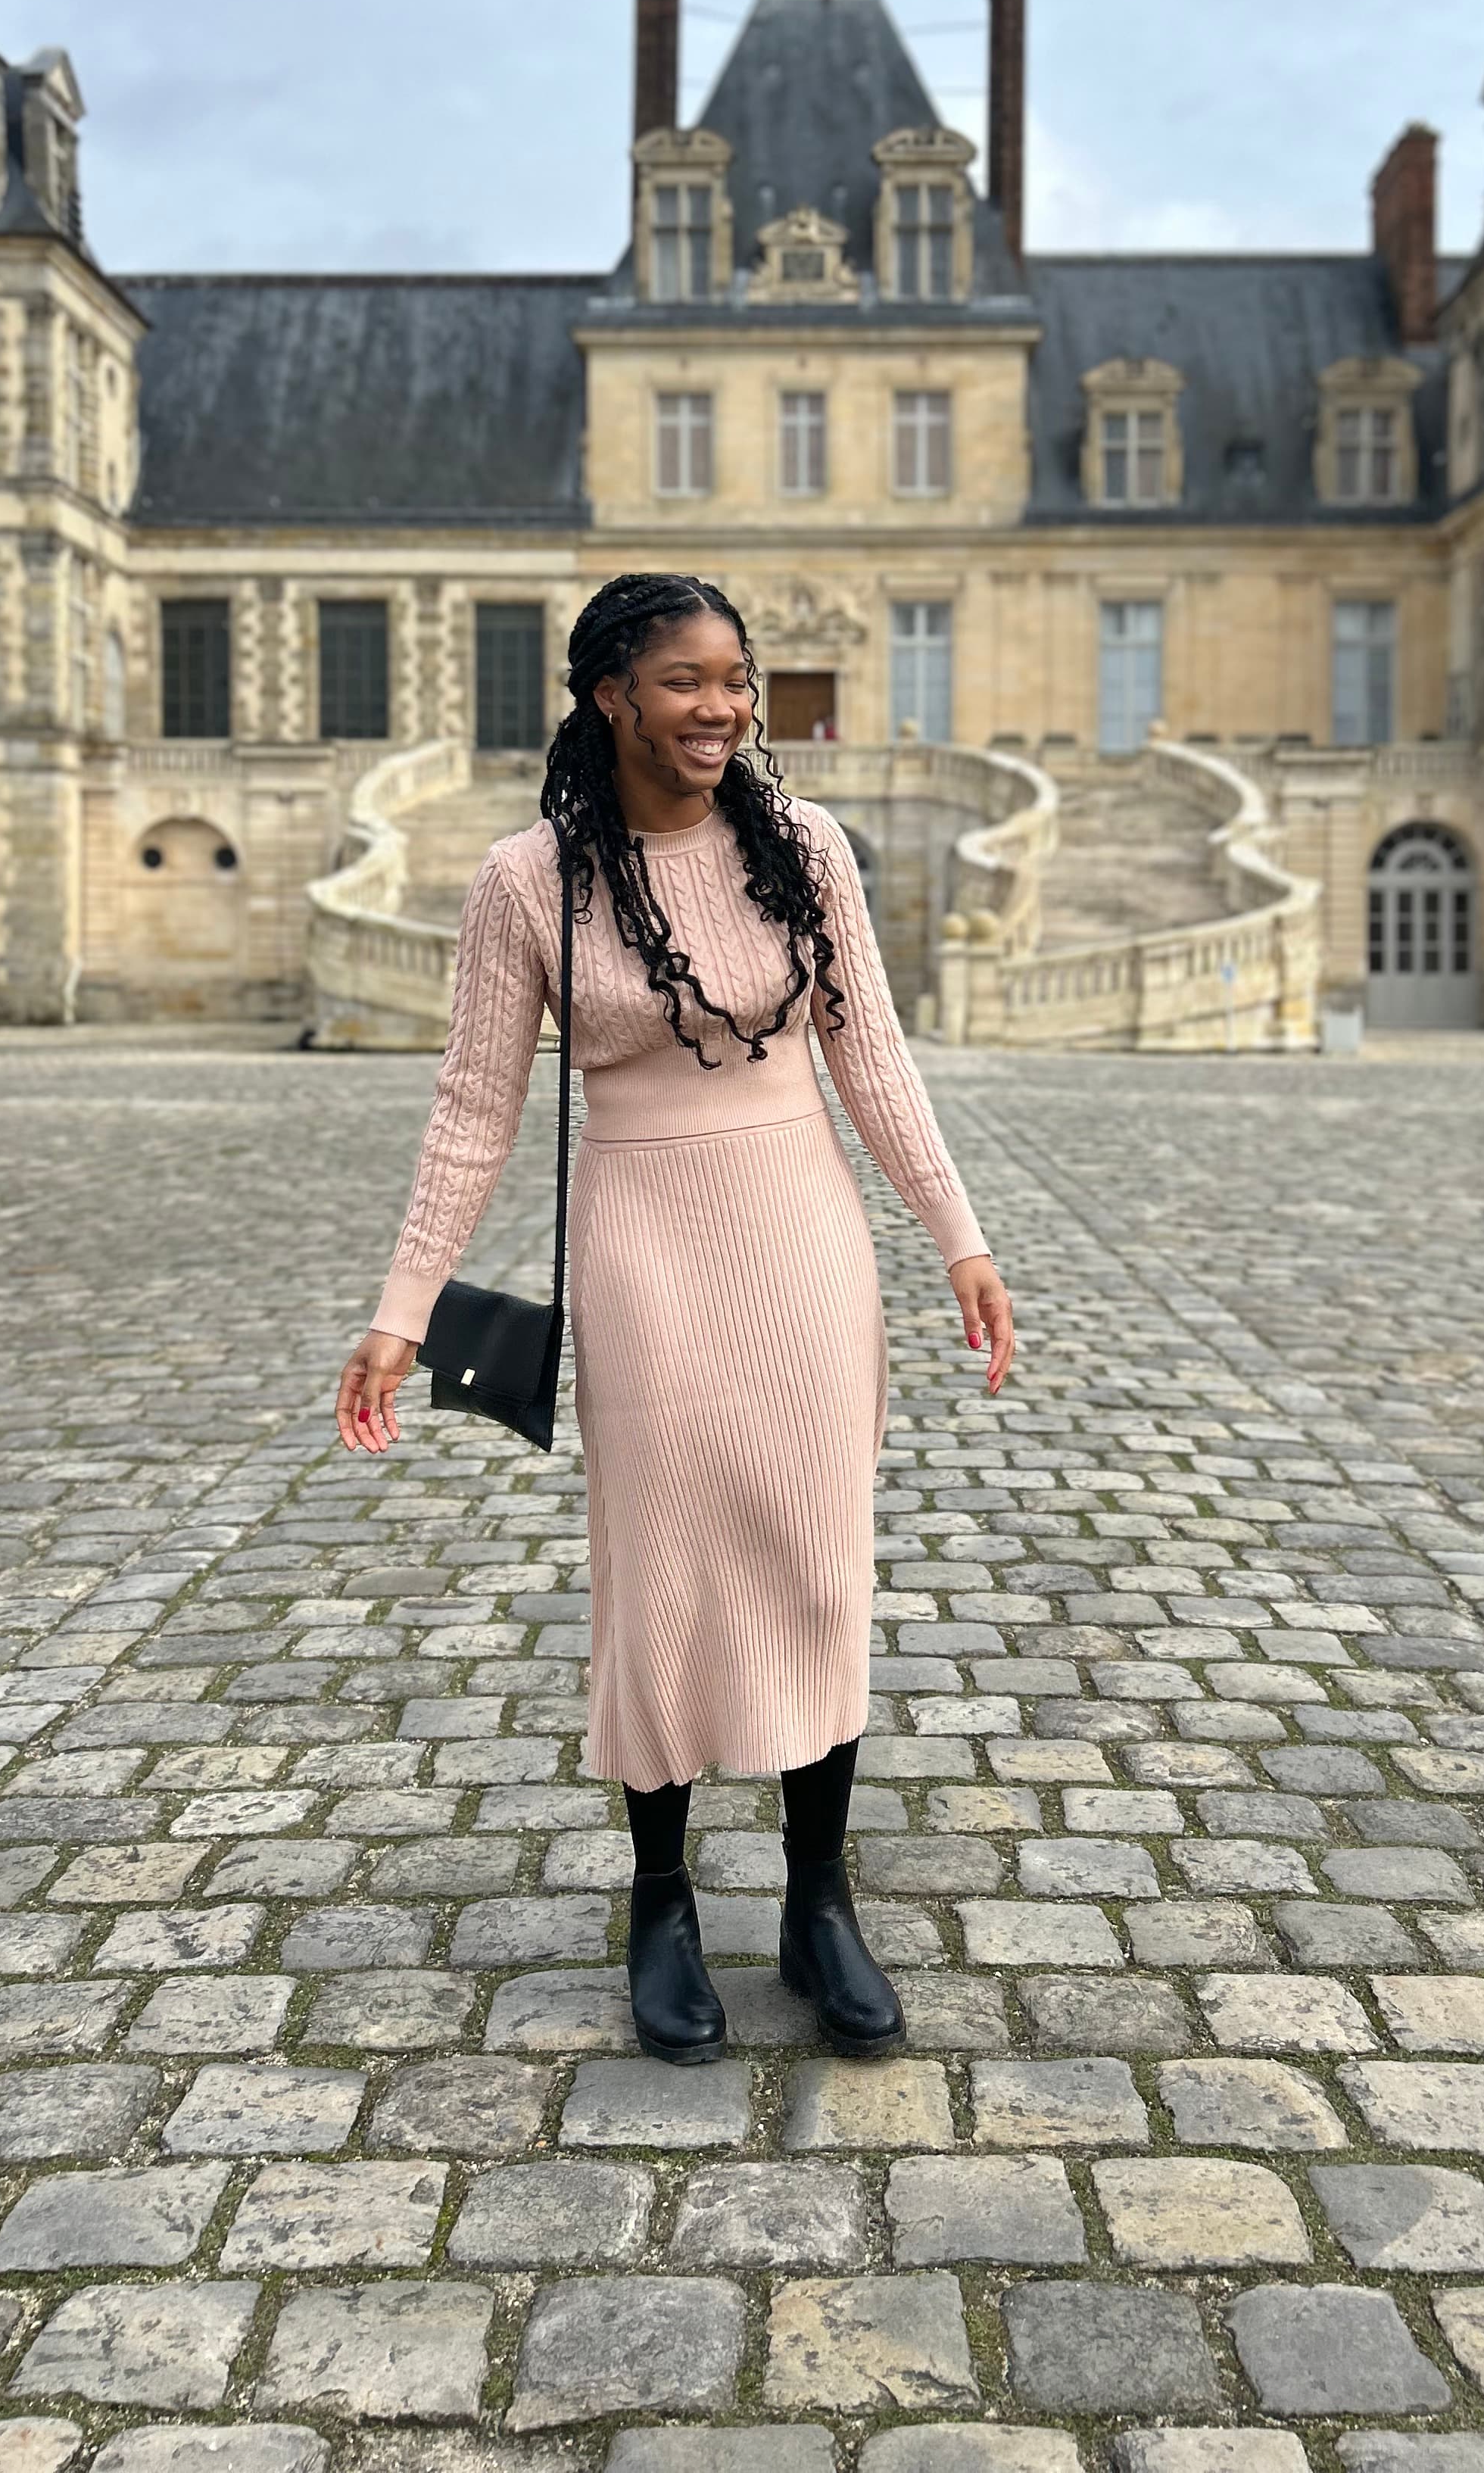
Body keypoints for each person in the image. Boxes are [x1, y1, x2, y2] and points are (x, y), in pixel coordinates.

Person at [335, 573, 1014, 2063]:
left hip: (803, 1230)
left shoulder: (805, 847)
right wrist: (402, 1314)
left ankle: (818, 1904)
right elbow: (471, 1111)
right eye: (688, 681)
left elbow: (874, 1055)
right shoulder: (528, 881)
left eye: (737, 680)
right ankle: (661, 1903)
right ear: (609, 697)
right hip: (644, 1240)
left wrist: (956, 1235)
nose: (722, 708)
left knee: (820, 1561)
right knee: (661, 1573)